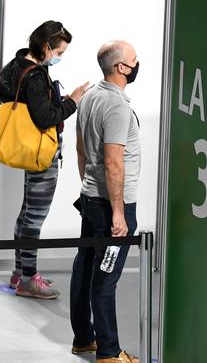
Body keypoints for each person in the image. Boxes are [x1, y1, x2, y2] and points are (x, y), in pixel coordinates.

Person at [0, 20, 90, 299]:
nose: (59, 57)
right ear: (47, 47)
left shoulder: (18, 64)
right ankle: (27, 279)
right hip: (41, 154)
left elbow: (3, 89)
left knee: (26, 212)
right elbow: (46, 117)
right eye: (59, 52)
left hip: (27, 150)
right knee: (34, 216)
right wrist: (72, 100)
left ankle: (20, 272)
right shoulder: (35, 77)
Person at [69, 41, 142, 363]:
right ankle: (110, 353)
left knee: (85, 267)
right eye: (134, 60)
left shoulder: (90, 97)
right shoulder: (116, 107)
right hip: (112, 206)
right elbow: (114, 162)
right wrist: (117, 214)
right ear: (121, 68)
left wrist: (89, 187)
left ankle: (84, 340)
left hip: (91, 198)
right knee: (105, 276)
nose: (138, 64)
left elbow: (81, 149)